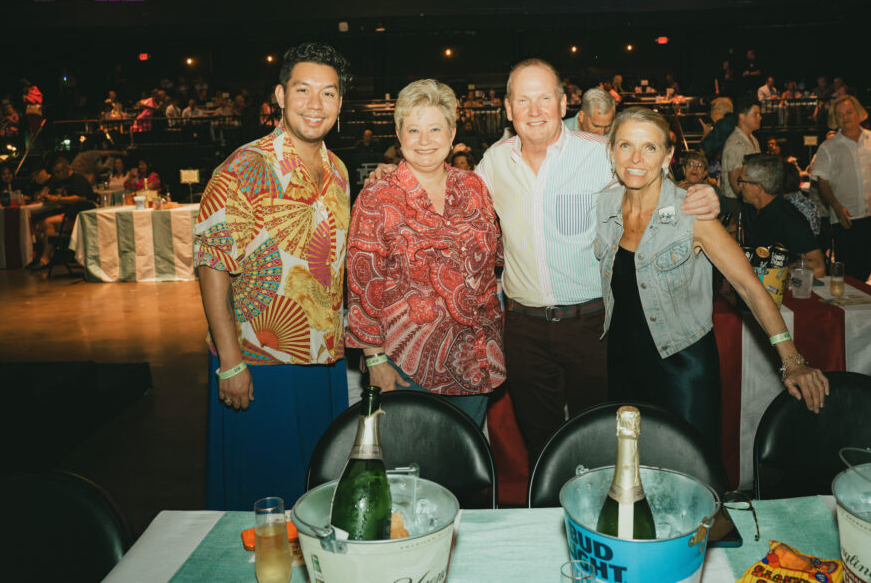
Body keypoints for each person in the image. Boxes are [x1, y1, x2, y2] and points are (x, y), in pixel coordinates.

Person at [476, 60, 720, 465]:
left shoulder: (598, 154)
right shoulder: (493, 162)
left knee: (601, 442)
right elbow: (455, 203)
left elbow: (650, 183)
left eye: (544, 99)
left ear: (563, 104)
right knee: (540, 447)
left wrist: (702, 195)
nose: (534, 111)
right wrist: (395, 176)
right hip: (523, 329)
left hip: (593, 325)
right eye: (523, 100)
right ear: (507, 108)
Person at [595, 108, 828, 450]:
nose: (636, 158)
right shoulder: (605, 205)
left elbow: (749, 286)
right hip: (623, 360)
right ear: (611, 151)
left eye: (650, 147)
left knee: (690, 468)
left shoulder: (693, 213)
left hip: (681, 364)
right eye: (626, 145)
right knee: (631, 465)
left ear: (667, 157)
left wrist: (792, 360)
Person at [193, 42, 353, 510]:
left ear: (340, 103)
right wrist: (230, 361)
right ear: (281, 96)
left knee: (319, 497)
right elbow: (212, 266)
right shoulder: (245, 166)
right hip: (261, 363)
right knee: (263, 503)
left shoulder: (338, 171)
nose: (315, 104)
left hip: (325, 361)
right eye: (303, 90)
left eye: (328, 93)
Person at [346, 80, 504, 427]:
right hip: (406, 365)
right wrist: (375, 360)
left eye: (435, 128)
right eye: (413, 129)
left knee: (465, 456)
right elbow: (363, 286)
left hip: (475, 359)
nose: (424, 140)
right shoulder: (377, 196)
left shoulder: (474, 186)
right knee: (410, 458)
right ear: (399, 135)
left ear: (452, 133)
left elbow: (496, 258)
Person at [810, 95, 871, 282]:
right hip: (845, 216)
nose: (844, 118)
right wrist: (837, 207)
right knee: (848, 269)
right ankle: (849, 300)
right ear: (835, 119)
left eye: (848, 112)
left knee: (869, 265)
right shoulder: (828, 147)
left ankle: (859, 298)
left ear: (859, 113)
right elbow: (822, 183)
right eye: (839, 115)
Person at [740, 155, 826, 278]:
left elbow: (818, 267)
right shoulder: (750, 209)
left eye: (742, 181)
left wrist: (780, 274)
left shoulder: (788, 217)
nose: (739, 185)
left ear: (758, 187)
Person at [28, 157, 95, 271]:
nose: (57, 174)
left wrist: (58, 199)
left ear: (67, 169)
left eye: (59, 171)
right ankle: (55, 254)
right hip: (65, 214)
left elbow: (80, 198)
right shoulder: (58, 180)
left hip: (79, 216)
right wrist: (45, 197)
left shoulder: (78, 179)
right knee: (36, 227)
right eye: (55, 172)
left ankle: (45, 258)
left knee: (48, 223)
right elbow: (50, 192)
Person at [720, 99, 762, 217]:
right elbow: (735, 183)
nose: (760, 117)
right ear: (742, 116)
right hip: (737, 202)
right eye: (755, 114)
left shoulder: (753, 140)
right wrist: (752, 204)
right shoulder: (736, 143)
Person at [698, 96, 736, 160]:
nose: (710, 115)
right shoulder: (737, 123)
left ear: (718, 110)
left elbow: (701, 153)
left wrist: (706, 133)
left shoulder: (722, 125)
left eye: (711, 110)